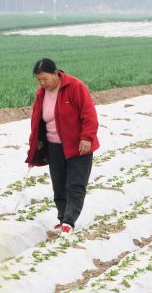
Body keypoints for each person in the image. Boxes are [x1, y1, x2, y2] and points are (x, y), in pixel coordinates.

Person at [25, 58, 100, 234]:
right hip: (54, 147)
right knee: (58, 185)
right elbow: (36, 124)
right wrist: (33, 151)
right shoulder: (41, 94)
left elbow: (89, 114)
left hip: (78, 146)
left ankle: (69, 221)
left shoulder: (75, 86)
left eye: (45, 78)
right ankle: (62, 218)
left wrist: (87, 137)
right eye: (39, 80)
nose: (42, 83)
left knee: (75, 184)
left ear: (55, 73)